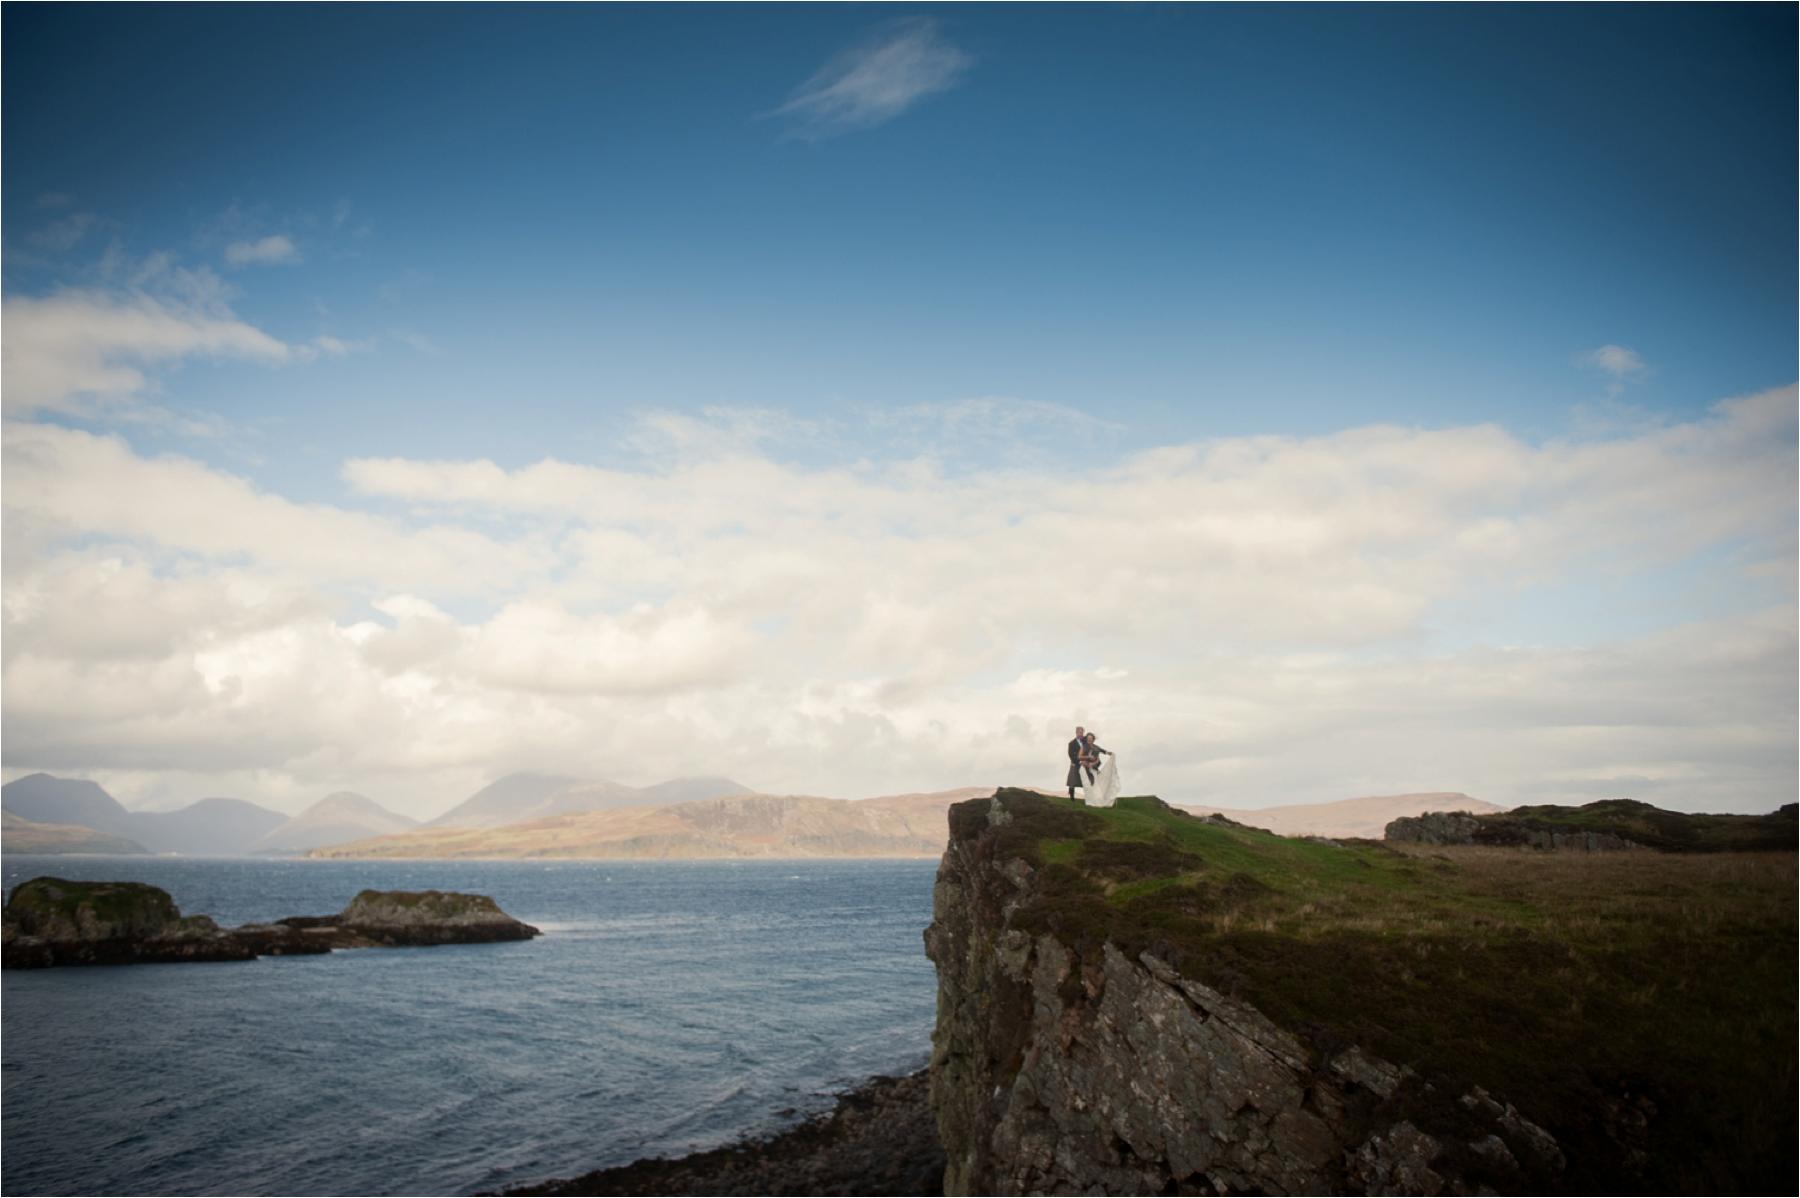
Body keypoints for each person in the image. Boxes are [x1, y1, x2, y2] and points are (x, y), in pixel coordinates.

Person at [1066, 726, 1087, 801]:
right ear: (1076, 732)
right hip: (1075, 763)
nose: (1081, 734)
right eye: (1079, 732)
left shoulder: (1086, 741)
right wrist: (1079, 761)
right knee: (1072, 781)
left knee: (1086, 780)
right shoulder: (1071, 743)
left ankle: (1088, 797)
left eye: (1082, 732)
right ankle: (1072, 797)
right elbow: (1071, 755)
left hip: (1085, 763)